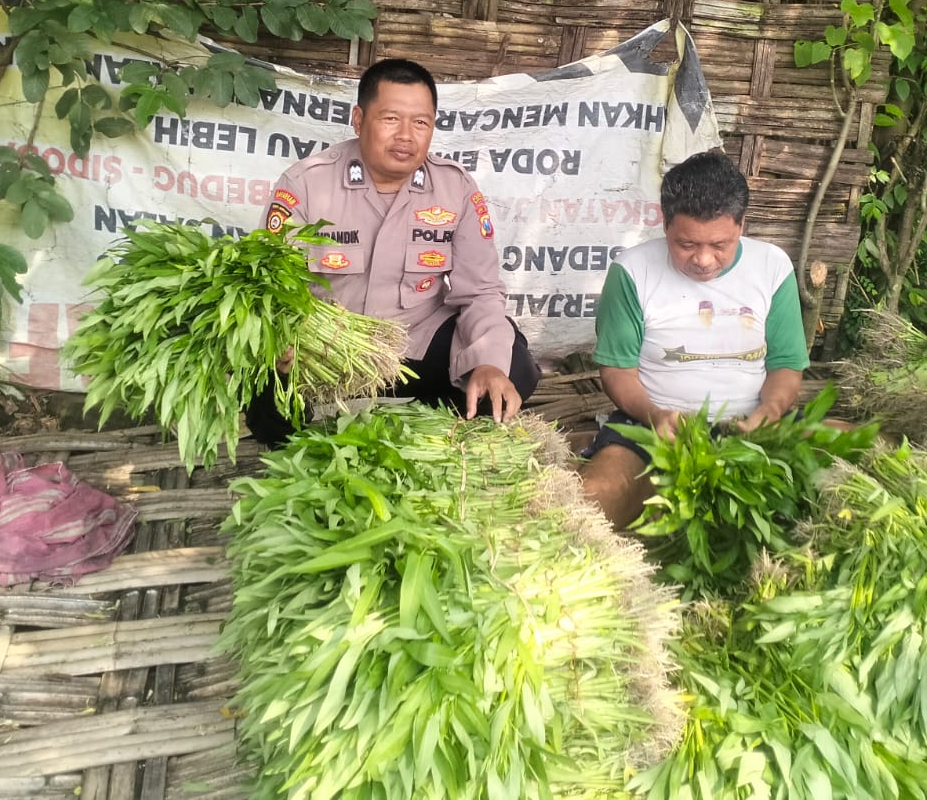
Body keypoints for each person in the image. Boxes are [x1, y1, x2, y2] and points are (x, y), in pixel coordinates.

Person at [244, 58, 540, 446]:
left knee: (513, 366)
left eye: (421, 123)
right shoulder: (306, 184)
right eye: (390, 119)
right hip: (331, 348)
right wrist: (283, 340)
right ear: (358, 119)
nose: (406, 136)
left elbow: (480, 291)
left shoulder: (455, 189)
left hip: (415, 338)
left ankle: (430, 418)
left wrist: (487, 363)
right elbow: (270, 287)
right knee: (269, 413)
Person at [581, 150, 809, 527]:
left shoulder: (772, 267)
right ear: (665, 224)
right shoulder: (632, 272)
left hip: (756, 426)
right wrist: (656, 416)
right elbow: (618, 371)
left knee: (863, 458)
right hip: (653, 429)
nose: (703, 259)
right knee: (595, 499)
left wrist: (769, 413)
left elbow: (785, 365)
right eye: (686, 244)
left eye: (719, 245)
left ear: (741, 225)